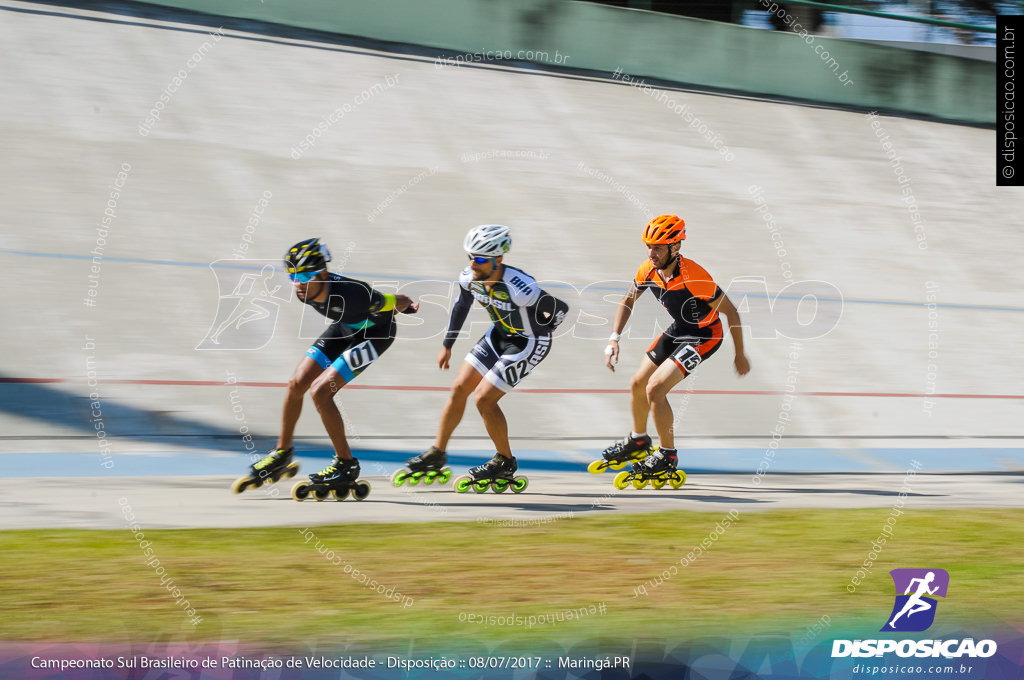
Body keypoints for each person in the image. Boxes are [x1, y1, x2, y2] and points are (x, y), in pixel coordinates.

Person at [233, 237, 418, 494]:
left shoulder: (354, 295)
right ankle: (282, 452)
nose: (298, 282)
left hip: (376, 335)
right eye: (293, 275)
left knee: (321, 391)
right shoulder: (304, 290)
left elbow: (391, 301)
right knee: (296, 383)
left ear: (323, 272)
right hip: (345, 328)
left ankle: (346, 464)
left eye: (306, 274)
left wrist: (407, 304)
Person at [404, 224, 568, 489]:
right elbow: (462, 305)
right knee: (459, 388)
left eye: (480, 259)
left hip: (528, 342)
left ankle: (504, 460)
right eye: (470, 256)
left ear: (498, 259)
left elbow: (560, 308)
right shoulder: (469, 277)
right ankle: (437, 452)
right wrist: (448, 345)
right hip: (499, 334)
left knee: (483, 399)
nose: (473, 263)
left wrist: (547, 328)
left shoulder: (520, 286)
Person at [602, 215, 750, 476]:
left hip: (705, 335)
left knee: (655, 388)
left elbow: (732, 312)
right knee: (637, 383)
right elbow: (627, 300)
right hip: (680, 328)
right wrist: (614, 337)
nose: (651, 253)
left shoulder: (695, 276)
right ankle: (638, 440)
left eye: (658, 247)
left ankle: (667, 455)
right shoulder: (647, 269)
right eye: (648, 246)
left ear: (675, 247)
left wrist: (739, 354)